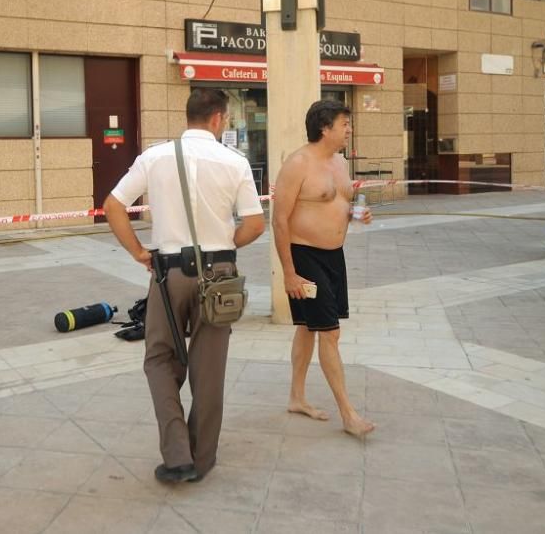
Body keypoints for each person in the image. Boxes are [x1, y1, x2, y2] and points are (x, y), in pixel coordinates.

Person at [104, 88, 265, 483]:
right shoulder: (235, 162)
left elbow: (113, 206)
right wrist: (226, 245)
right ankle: (203, 457)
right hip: (220, 274)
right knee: (209, 369)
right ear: (217, 119)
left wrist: (139, 252)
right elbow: (255, 223)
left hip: (168, 272)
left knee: (160, 357)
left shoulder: (154, 157)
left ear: (190, 115)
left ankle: (177, 454)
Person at [272, 99, 375, 438]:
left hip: (334, 257)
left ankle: (296, 398)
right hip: (306, 257)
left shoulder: (340, 163)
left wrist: (355, 214)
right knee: (329, 332)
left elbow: (339, 204)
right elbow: (280, 220)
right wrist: (289, 272)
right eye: (344, 124)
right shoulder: (297, 164)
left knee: (308, 327)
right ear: (324, 128)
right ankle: (349, 413)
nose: (349, 130)